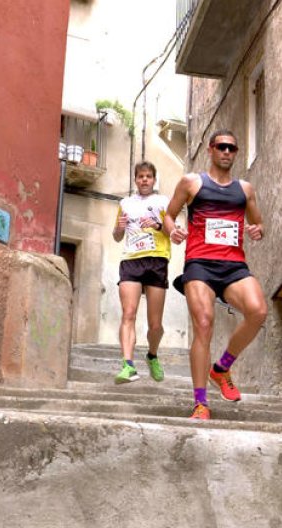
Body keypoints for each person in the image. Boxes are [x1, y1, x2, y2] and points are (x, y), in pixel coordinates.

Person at [162, 130, 267, 419]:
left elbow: (258, 223)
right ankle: (200, 403)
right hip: (200, 264)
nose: (226, 152)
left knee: (258, 311)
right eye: (221, 146)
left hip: (234, 265)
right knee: (204, 324)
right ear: (210, 149)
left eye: (232, 148)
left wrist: (258, 230)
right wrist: (173, 231)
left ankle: (221, 369)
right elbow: (168, 215)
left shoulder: (245, 190)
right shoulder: (192, 183)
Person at [112, 161, 171, 384]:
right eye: (140, 176)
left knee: (155, 324)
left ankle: (152, 355)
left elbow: (172, 229)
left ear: (154, 180)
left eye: (148, 176)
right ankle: (127, 365)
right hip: (131, 260)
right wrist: (119, 227)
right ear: (135, 179)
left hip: (156, 260)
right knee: (128, 313)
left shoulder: (163, 201)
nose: (144, 180)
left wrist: (157, 224)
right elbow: (117, 236)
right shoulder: (125, 203)